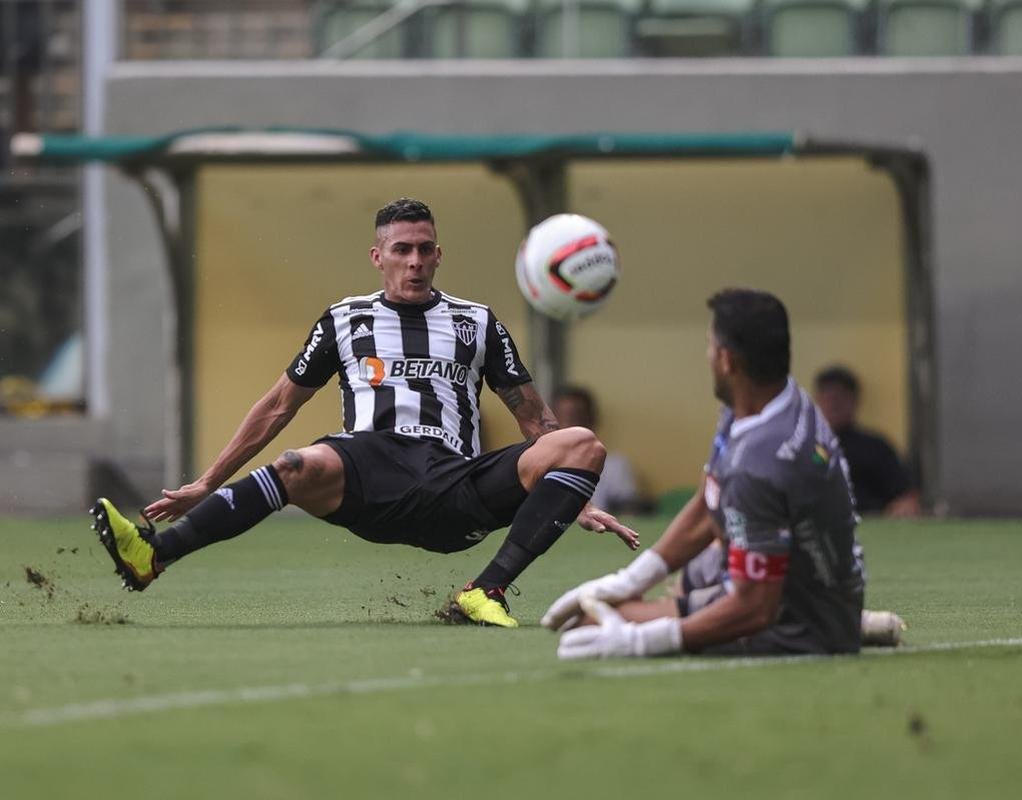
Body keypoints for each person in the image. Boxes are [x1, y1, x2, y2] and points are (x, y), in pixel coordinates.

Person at [89, 198, 638, 628]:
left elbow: (536, 421)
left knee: (581, 443)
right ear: (379, 257)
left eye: (425, 248)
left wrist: (573, 493)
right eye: (402, 249)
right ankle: (153, 554)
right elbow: (279, 405)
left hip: (455, 484)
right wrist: (207, 481)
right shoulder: (344, 320)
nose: (415, 261)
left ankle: (483, 591)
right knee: (296, 464)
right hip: (371, 469)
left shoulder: (478, 322)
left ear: (439, 255)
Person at [542, 288, 902, 660]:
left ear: (727, 360)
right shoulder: (770, 399)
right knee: (700, 566)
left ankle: (842, 625)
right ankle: (847, 619)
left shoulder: (759, 464)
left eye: (710, 346)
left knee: (589, 626)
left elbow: (755, 609)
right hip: (815, 590)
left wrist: (647, 640)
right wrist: (629, 580)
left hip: (794, 624)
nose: (707, 355)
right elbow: (706, 506)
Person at [812, 365, 920, 518]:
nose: (833, 405)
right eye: (827, 398)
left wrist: (904, 506)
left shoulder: (876, 448)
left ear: (854, 401)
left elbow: (906, 496)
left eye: (840, 399)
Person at [551, 385, 654, 515]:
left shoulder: (614, 464)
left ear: (592, 419)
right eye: (564, 417)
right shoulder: (537, 462)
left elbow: (629, 510)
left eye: (577, 416)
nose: (570, 424)